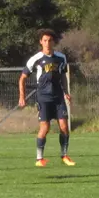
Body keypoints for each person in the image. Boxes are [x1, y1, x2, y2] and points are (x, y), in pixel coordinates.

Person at [19, 29, 75, 167]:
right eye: (45, 40)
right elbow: (22, 78)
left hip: (58, 97)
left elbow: (62, 76)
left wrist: (66, 92)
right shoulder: (36, 59)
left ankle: (65, 155)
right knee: (45, 128)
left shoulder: (61, 58)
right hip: (43, 97)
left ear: (54, 42)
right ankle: (39, 159)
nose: (47, 43)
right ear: (41, 42)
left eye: (50, 40)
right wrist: (22, 96)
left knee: (64, 127)